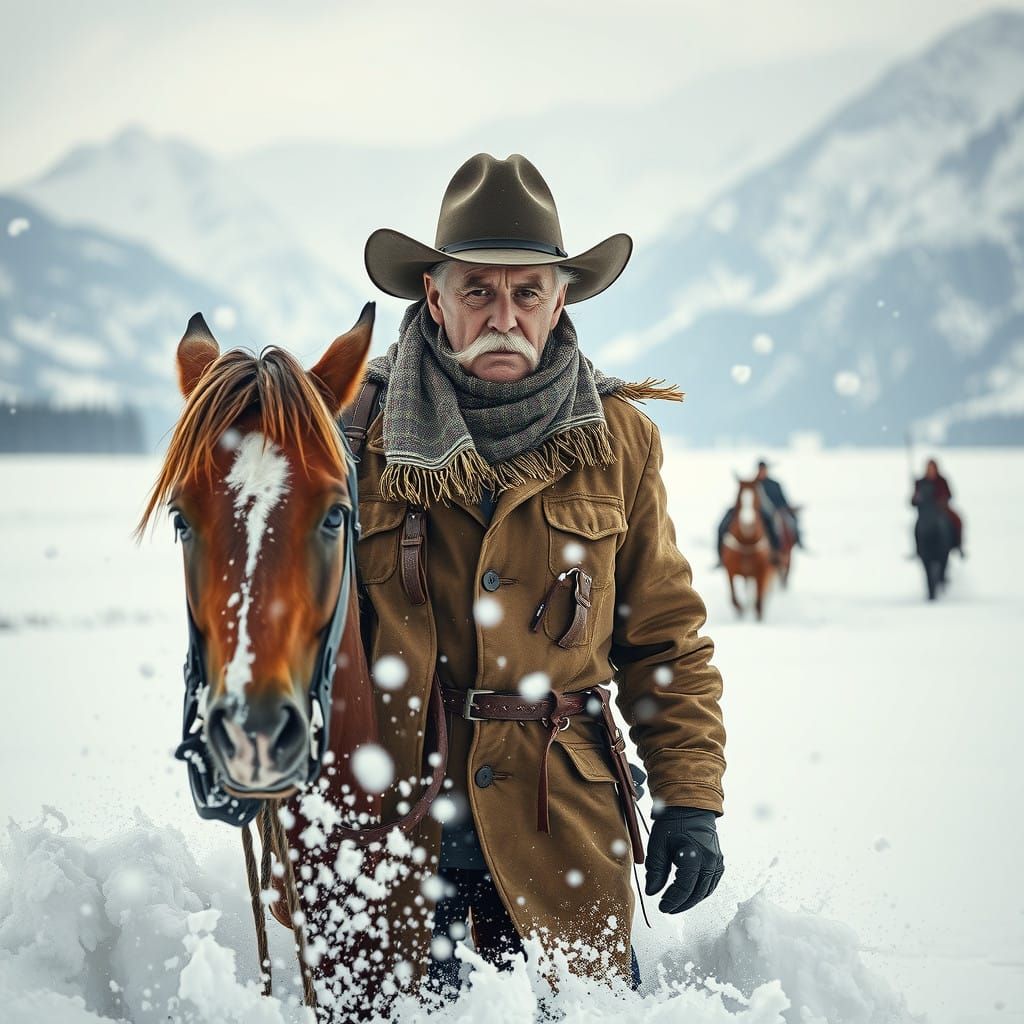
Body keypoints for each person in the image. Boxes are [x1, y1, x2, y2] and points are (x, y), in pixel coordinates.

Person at [353, 154, 726, 994]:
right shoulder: (357, 433)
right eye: (478, 290)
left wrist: (691, 799)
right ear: (434, 298)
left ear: (561, 300)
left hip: (565, 832)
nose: (504, 315)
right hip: (395, 836)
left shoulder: (619, 438)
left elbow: (665, 638)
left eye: (527, 292)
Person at [716, 459, 801, 563]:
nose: (762, 472)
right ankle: (721, 556)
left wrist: (786, 508)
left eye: (763, 470)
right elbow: (741, 499)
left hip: (768, 512)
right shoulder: (750, 483)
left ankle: (778, 550)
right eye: (760, 470)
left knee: (781, 525)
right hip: (746, 510)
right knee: (723, 525)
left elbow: (782, 501)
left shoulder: (774, 484)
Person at [912, 458, 964, 555]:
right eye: (929, 468)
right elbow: (913, 501)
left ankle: (958, 544)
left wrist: (941, 501)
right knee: (917, 528)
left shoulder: (942, 481)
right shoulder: (921, 482)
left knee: (957, 520)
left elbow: (949, 495)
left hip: (942, 509)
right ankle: (917, 549)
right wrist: (916, 498)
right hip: (926, 512)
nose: (931, 470)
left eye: (932, 468)